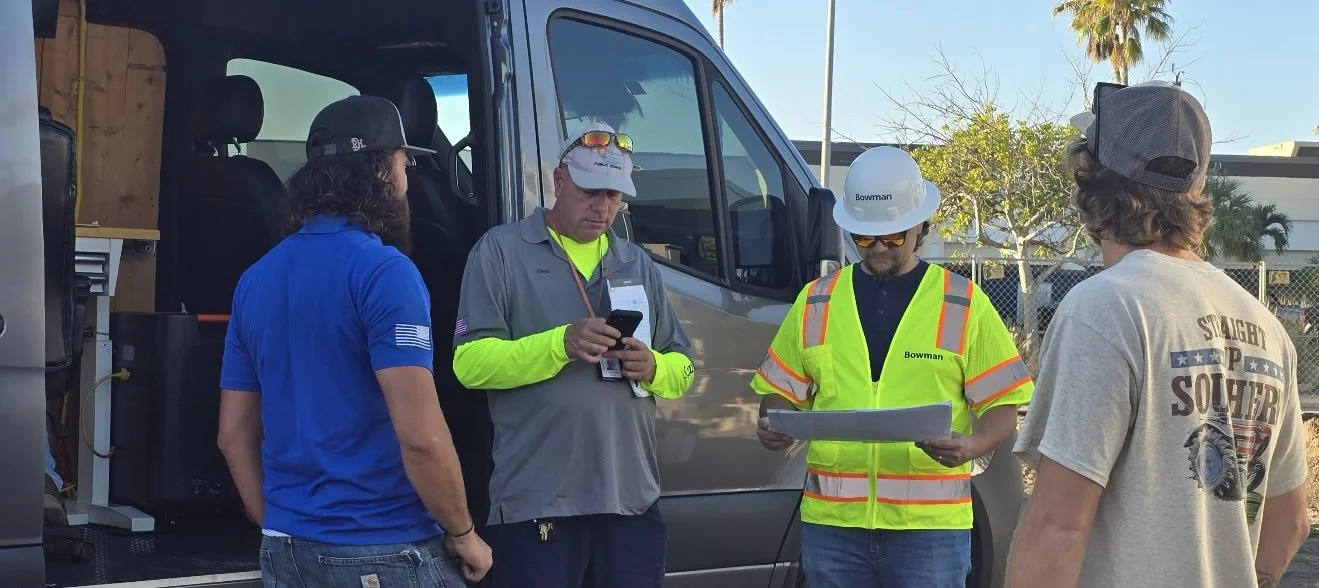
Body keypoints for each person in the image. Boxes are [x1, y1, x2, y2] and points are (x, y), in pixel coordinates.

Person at [1006, 81, 1310, 588]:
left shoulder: (1104, 308)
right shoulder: (1264, 325)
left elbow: (1057, 526)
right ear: (1196, 189)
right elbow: (1290, 522)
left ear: (1091, 182)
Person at [217, 95, 492, 587]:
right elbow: (421, 438)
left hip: (286, 548)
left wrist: (275, 525)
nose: (407, 182)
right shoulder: (386, 273)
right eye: (405, 165)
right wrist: (464, 532)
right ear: (381, 170)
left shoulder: (256, 279)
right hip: (383, 546)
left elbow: (233, 434)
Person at [753, 146, 1034, 588]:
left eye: (892, 237)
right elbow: (778, 394)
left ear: (920, 225)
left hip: (929, 531)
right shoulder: (816, 301)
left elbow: (1003, 406)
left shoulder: (963, 303)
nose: (878, 248)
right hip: (832, 527)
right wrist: (772, 424)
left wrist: (973, 445)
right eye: (865, 239)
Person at [451, 122, 695, 588]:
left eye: (614, 195)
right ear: (558, 180)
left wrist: (653, 367)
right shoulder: (501, 250)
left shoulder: (635, 261)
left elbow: (683, 368)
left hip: (630, 502)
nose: (602, 207)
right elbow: (469, 364)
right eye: (589, 191)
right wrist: (559, 344)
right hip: (539, 504)